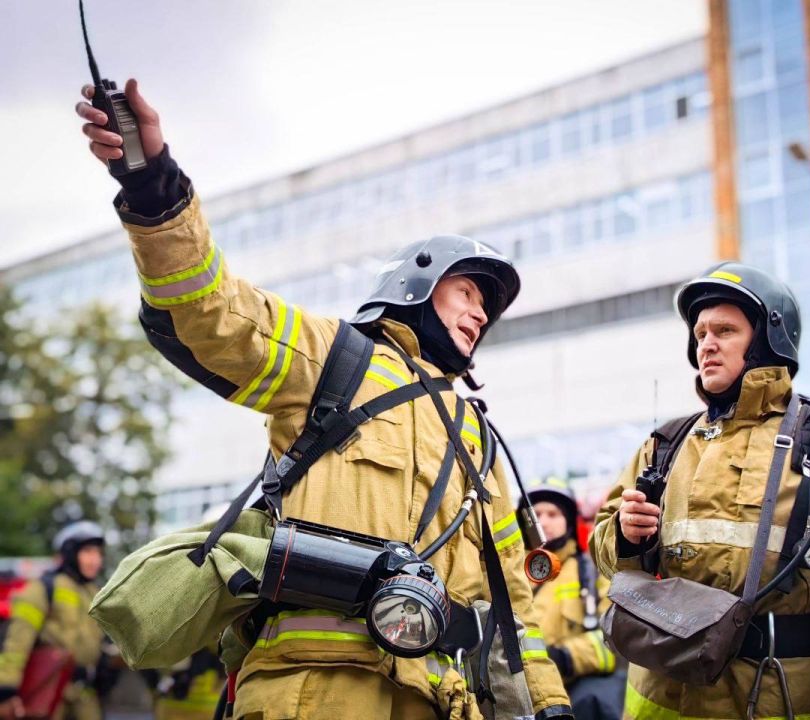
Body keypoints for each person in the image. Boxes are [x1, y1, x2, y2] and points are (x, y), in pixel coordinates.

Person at [74, 80, 570, 720]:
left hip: (436, 703)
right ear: (415, 284)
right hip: (311, 694)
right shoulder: (338, 359)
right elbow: (212, 310)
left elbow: (511, 610)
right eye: (470, 291)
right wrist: (153, 183)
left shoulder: (474, 435)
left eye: (487, 307)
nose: (481, 314)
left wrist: (548, 706)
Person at [590, 262, 810, 720]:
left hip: (777, 699)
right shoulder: (665, 445)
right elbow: (604, 550)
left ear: (767, 340)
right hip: (663, 701)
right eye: (699, 334)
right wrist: (624, 536)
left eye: (725, 330)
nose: (707, 344)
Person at [525, 477, 624, 720]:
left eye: (553, 513)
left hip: (573, 697)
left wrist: (565, 658)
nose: (544, 522)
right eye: (536, 513)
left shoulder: (591, 572)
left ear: (568, 519)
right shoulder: (509, 575)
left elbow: (617, 639)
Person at [0, 521, 107, 720]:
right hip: (49, 693)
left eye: (99, 553)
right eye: (88, 552)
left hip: (85, 696)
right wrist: (6, 689)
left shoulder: (94, 593)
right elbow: (17, 643)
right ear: (69, 553)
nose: (96, 560)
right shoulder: (42, 588)